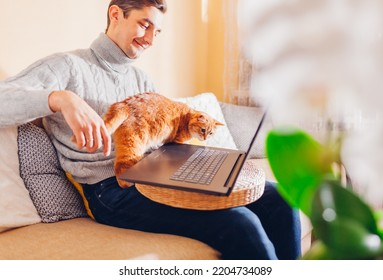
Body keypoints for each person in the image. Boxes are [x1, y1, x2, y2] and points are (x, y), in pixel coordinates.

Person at [0, 0, 301, 260]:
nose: (150, 39)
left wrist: (201, 162)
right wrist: (59, 98)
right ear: (116, 14)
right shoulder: (67, 66)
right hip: (111, 191)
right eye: (144, 25)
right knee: (240, 223)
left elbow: (165, 135)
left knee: (281, 200)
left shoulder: (141, 79)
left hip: (158, 175)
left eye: (156, 31)